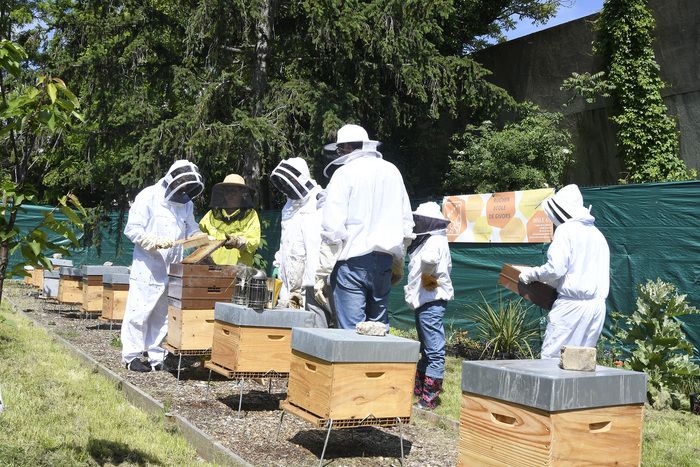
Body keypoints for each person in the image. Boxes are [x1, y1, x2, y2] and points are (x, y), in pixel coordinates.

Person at [315, 124, 414, 329]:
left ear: (349, 147)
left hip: (352, 262)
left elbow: (333, 228)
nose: (340, 153)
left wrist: (322, 271)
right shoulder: (392, 171)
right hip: (385, 261)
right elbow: (406, 222)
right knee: (377, 331)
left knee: (352, 334)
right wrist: (399, 259)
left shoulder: (344, 173)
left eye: (341, 149)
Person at [121, 160, 204, 372]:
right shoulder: (148, 196)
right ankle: (131, 357)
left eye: (188, 187)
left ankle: (158, 357)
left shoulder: (186, 204)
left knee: (162, 314)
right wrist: (152, 241)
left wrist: (200, 237)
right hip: (148, 266)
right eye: (182, 185)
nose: (184, 190)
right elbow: (133, 229)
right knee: (139, 312)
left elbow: (191, 228)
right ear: (172, 180)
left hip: (172, 267)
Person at [519, 184, 610, 359]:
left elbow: (555, 269)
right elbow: (579, 270)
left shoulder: (566, 230)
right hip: (596, 308)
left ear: (561, 207)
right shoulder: (597, 234)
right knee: (581, 362)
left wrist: (531, 274)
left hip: (571, 308)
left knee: (552, 360)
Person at [270, 157, 333, 327]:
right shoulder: (289, 206)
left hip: (313, 281)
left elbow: (329, 239)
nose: (288, 185)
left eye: (291, 179)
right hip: (288, 281)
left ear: (301, 177)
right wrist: (278, 263)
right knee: (289, 328)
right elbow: (286, 241)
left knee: (315, 327)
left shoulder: (321, 199)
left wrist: (323, 274)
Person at [404, 202, 453, 410]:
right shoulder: (432, 240)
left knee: (433, 351)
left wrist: (428, 283)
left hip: (431, 303)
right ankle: (420, 391)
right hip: (427, 302)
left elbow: (429, 262)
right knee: (426, 348)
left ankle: (429, 399)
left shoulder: (435, 241)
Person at [198, 174, 261, 266]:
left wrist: (238, 242)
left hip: (240, 270)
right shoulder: (211, 215)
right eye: (227, 191)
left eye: (234, 191)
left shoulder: (251, 215)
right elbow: (197, 235)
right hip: (213, 268)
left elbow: (254, 241)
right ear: (223, 193)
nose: (230, 195)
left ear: (242, 193)